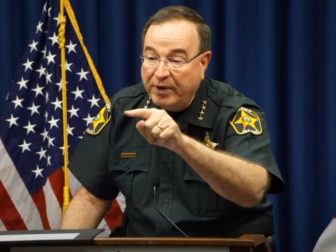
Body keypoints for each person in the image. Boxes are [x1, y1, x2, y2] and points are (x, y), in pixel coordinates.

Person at [61, 5, 284, 237]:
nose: (160, 72)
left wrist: (180, 144)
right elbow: (91, 198)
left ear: (203, 62)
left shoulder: (234, 112)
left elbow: (253, 190)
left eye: (175, 60)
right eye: (151, 58)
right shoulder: (122, 109)